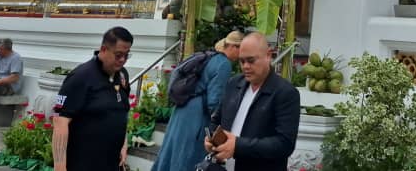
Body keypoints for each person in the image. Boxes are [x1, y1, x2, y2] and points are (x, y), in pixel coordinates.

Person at [206, 32, 300, 171]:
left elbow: (284, 144)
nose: (245, 66)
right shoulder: (234, 84)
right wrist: (211, 139)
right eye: (242, 61)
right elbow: (216, 120)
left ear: (268, 55)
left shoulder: (285, 93)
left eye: (251, 61)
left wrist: (238, 145)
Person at [152, 31, 243, 171]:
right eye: (241, 50)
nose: (241, 57)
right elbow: (214, 100)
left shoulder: (210, 56)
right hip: (196, 116)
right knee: (187, 157)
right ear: (233, 47)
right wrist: (221, 124)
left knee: (170, 153)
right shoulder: (224, 64)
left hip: (182, 110)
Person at [52, 26, 133, 171]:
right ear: (103, 49)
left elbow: (121, 111)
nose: (123, 60)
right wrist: (59, 167)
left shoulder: (122, 75)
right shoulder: (80, 77)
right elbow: (59, 120)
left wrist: (124, 144)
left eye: (127, 55)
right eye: (118, 55)